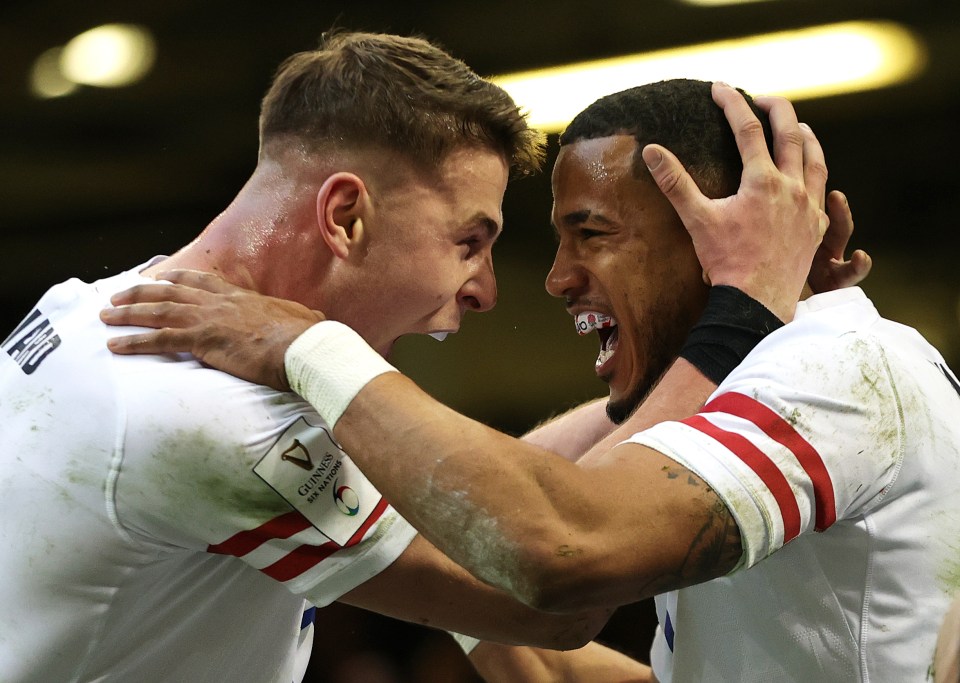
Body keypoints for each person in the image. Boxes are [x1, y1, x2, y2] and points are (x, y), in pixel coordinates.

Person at [103, 77, 959, 683]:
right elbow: (497, 523)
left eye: (591, 232)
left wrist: (311, 349)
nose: (555, 277)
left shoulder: (840, 369)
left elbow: (561, 547)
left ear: (716, 237)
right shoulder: (781, 371)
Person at [0, 29, 665, 682]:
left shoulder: (84, 307)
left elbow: (471, 505)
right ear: (346, 216)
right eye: (468, 241)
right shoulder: (207, 415)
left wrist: (653, 388)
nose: (487, 290)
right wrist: (722, 347)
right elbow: (546, 592)